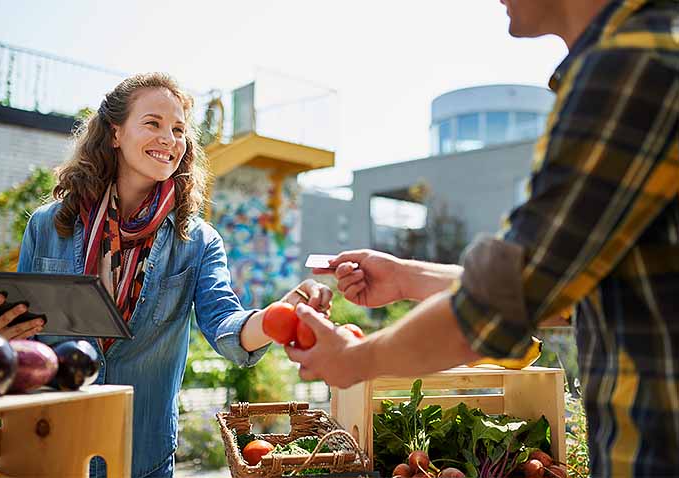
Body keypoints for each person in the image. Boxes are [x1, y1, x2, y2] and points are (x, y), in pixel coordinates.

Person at [285, 0, 679, 475]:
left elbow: (505, 297)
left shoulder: (631, 67)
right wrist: (407, 277)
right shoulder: (642, 54)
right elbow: (558, 290)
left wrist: (356, 360)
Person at [0, 72, 333, 478]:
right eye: (153, 124)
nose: (170, 138)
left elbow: (226, 328)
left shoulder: (197, 241)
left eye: (179, 129)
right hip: (52, 443)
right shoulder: (48, 225)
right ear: (115, 134)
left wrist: (278, 315)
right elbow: (23, 342)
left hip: (141, 452)